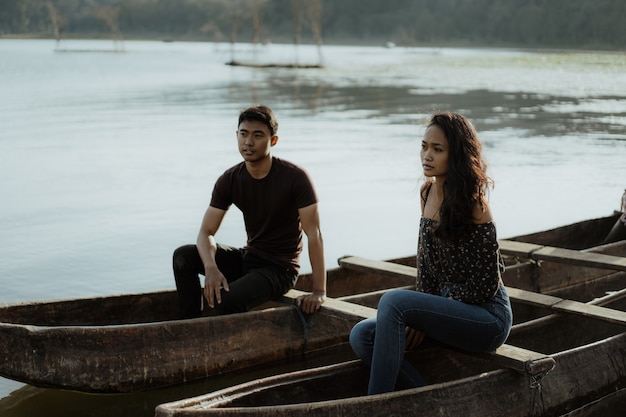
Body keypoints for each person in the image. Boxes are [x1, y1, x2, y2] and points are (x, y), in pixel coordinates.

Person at [349, 112, 513, 395]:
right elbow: (426, 265)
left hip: (488, 318)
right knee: (363, 336)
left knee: (393, 302)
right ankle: (423, 396)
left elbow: (486, 285)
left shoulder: (475, 205)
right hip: (451, 311)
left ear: (457, 154)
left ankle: (375, 404)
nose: (427, 155)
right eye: (424, 146)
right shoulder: (427, 193)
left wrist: (431, 306)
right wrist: (421, 317)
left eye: (437, 149)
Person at [173, 105, 326, 318]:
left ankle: (221, 336)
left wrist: (318, 291)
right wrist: (211, 268)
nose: (248, 142)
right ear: (237, 136)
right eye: (243, 134)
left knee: (224, 300)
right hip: (249, 258)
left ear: (273, 141)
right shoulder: (230, 179)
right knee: (183, 256)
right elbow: (206, 232)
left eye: (258, 135)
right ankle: (189, 324)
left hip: (280, 269)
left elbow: (314, 235)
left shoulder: (295, 178)